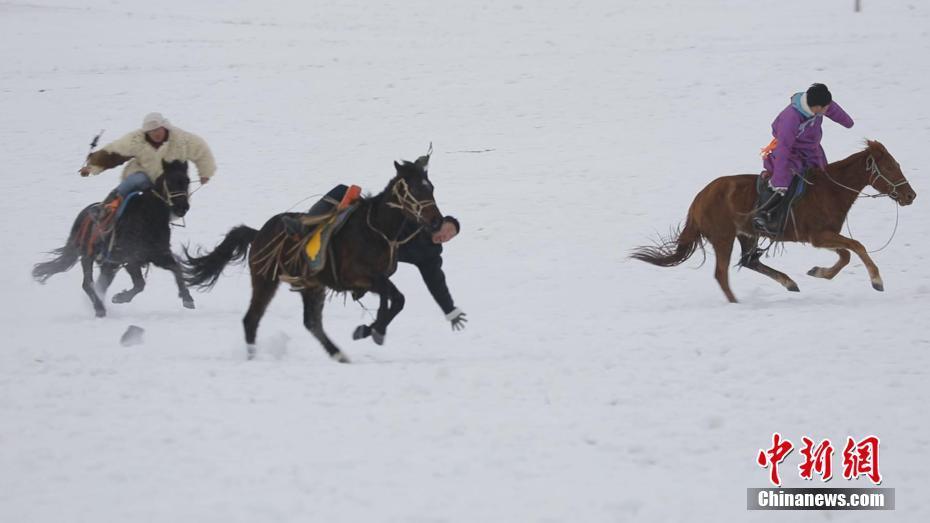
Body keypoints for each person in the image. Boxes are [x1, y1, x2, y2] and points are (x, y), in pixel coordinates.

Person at [753, 83, 854, 234]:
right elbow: (783, 148)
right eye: (826, 107)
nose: (828, 109)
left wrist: (848, 122)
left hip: (812, 151)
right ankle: (764, 213)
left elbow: (833, 109)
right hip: (790, 153)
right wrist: (780, 180)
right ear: (817, 107)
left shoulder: (818, 105)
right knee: (784, 179)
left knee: (823, 176)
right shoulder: (791, 118)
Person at [79, 112, 216, 220]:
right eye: (151, 131)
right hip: (145, 176)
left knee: (171, 209)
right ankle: (107, 207)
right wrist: (91, 167)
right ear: (146, 132)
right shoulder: (136, 140)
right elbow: (113, 153)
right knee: (136, 180)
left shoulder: (181, 139)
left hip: (170, 185)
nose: (156, 133)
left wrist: (205, 173)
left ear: (164, 127)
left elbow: (201, 151)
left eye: (158, 129)